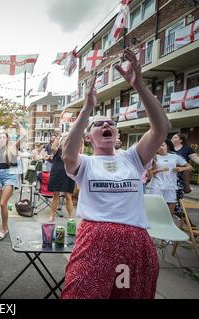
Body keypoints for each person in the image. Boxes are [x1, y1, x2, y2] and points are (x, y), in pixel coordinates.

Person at [61, 48, 170, 299]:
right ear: (88, 138)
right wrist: (88, 108)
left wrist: (138, 84)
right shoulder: (86, 163)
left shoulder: (133, 158)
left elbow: (161, 128)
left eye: (111, 123)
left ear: (118, 136)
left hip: (136, 242)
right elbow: (68, 155)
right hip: (95, 241)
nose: (107, 124)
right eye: (99, 124)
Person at [0, 124, 26, 241]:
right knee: (2, 205)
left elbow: (24, 135)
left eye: (4, 137)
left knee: (3, 203)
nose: (2, 139)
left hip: (10, 176)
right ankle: (5, 226)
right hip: (0, 177)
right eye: (0, 137)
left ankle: (3, 228)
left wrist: (19, 125)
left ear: (7, 139)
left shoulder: (12, 147)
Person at [146, 140, 192, 215]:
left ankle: (168, 225)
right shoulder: (153, 157)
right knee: (154, 211)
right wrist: (159, 169)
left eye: (163, 145)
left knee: (170, 213)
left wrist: (181, 169)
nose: (161, 148)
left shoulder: (175, 157)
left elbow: (190, 167)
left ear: (167, 146)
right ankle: (155, 226)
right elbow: (148, 173)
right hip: (156, 186)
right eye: (158, 146)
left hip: (171, 186)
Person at [47, 135, 75, 221]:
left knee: (68, 196)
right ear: (61, 141)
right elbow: (53, 147)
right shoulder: (57, 150)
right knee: (56, 195)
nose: (65, 140)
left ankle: (71, 217)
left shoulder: (72, 151)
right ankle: (52, 215)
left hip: (68, 175)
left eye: (67, 140)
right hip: (57, 174)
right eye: (64, 139)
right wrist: (59, 137)